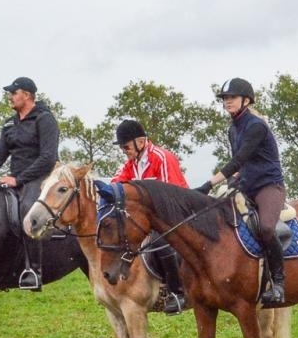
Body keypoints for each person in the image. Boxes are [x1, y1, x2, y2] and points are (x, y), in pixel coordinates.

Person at [199, 78, 288, 308]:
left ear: (246, 100)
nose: (228, 102)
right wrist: (229, 183)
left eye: (232, 98)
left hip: (268, 186)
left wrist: (209, 183)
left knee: (267, 228)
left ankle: (278, 283)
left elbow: (238, 159)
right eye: (225, 98)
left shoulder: (256, 126)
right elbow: (239, 166)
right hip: (246, 184)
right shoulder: (233, 128)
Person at [0, 76, 59, 290]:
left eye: (14, 93)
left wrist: (18, 179)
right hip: (15, 179)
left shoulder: (44, 119)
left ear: (27, 95)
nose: (10, 97)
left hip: (40, 179)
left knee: (28, 211)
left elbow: (48, 158)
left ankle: (34, 271)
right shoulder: (9, 124)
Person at [111, 118, 191, 314]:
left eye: (126, 146)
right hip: (150, 217)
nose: (124, 150)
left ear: (140, 142)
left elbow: (168, 196)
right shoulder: (132, 163)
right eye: (122, 147)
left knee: (158, 240)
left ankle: (176, 292)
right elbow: (115, 183)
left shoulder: (162, 157)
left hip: (176, 212)